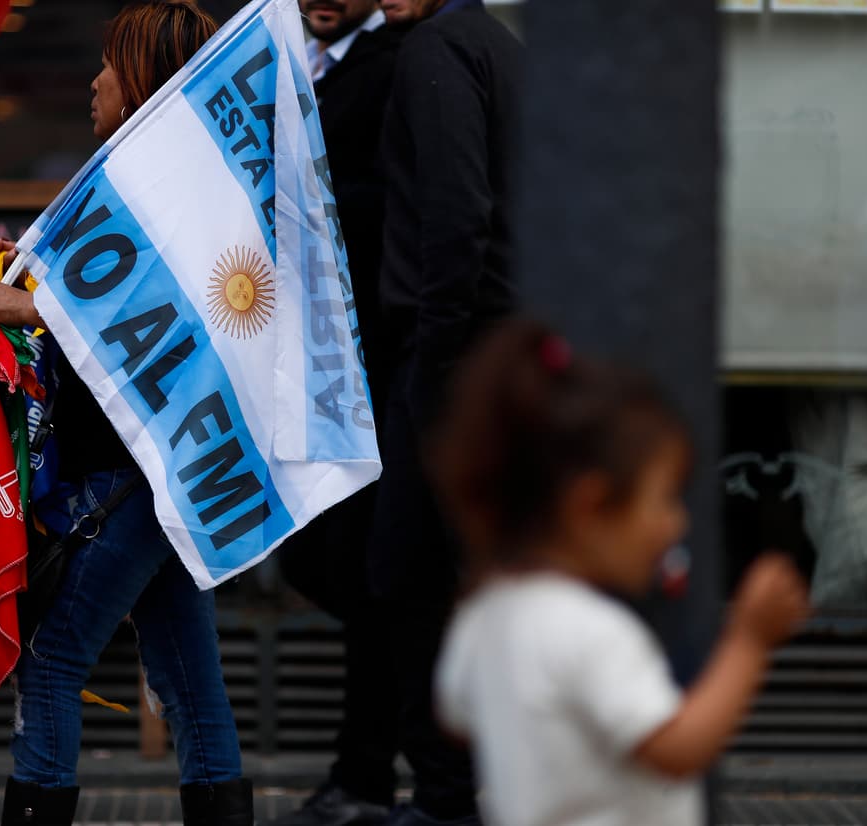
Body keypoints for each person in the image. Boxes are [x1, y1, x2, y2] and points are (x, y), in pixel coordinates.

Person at [0, 4, 252, 826]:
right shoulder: (180, 181)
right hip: (169, 476)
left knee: (54, 657)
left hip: (134, 474)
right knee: (189, 684)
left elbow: (166, 313)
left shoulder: (158, 184)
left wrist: (31, 313)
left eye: (108, 64)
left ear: (140, 85)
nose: (93, 80)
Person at [430, 318, 810, 826]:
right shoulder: (590, 632)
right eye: (663, 500)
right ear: (590, 506)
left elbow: (457, 715)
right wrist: (749, 641)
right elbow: (677, 748)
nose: (677, 522)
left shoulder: (486, 613)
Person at [369, 3, 523, 825]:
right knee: (462, 576)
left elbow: (459, 215)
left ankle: (444, 797)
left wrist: (435, 357)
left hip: (456, 359)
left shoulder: (437, 50)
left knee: (409, 576)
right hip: (493, 353)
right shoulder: (494, 45)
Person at [267, 2, 403, 825]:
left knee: (364, 577)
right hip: (304, 370)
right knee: (324, 565)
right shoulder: (291, 59)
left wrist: (297, 204)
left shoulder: (393, 65)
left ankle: (367, 773)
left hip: (366, 368)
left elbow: (392, 198)